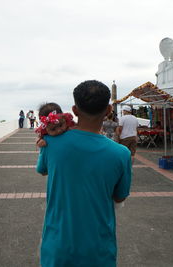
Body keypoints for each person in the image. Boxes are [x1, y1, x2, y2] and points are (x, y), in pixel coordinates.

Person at [36, 80, 132, 267]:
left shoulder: (51, 143)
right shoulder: (122, 154)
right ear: (108, 110)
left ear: (74, 110)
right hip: (98, 250)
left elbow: (42, 170)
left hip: (57, 247)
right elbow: (119, 198)